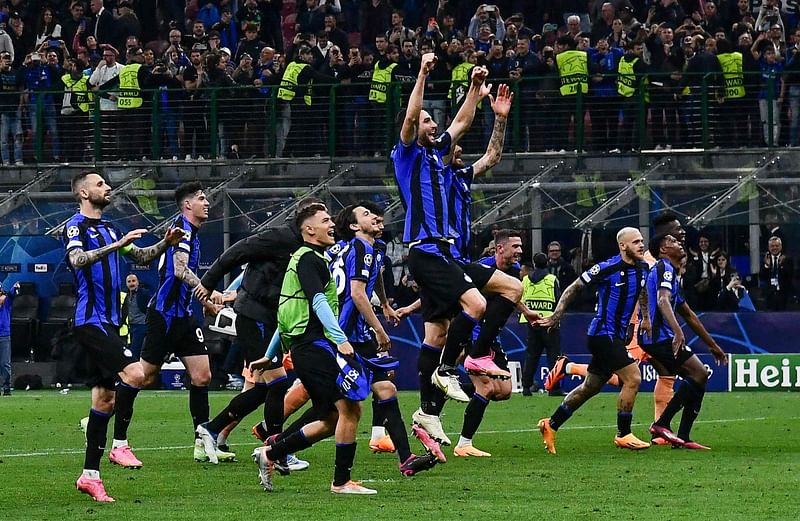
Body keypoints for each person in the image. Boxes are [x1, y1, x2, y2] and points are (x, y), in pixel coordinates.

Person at [64, 170, 183, 502]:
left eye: (106, 183)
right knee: (136, 373)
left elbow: (142, 256)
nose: (108, 187)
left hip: (111, 322)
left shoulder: (111, 227)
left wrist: (165, 243)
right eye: (100, 184)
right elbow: (77, 259)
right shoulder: (76, 226)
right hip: (91, 321)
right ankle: (119, 445)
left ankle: (90, 476)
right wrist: (117, 245)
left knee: (105, 400)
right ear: (84, 193)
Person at [192, 197, 328, 470]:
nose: (330, 223)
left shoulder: (307, 247)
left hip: (271, 320)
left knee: (265, 387)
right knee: (276, 383)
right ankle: (276, 450)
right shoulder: (279, 237)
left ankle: (213, 428)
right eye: (325, 218)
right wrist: (208, 282)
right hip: (253, 316)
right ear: (307, 223)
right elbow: (238, 252)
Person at [250, 204, 377, 495]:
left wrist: (270, 354)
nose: (332, 224)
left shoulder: (306, 259)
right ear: (309, 229)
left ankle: (270, 454)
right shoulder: (310, 259)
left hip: (307, 347)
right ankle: (341, 482)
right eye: (325, 220)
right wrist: (340, 337)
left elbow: (287, 313)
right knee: (350, 408)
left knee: (332, 418)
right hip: (314, 347)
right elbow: (317, 301)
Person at [329, 203, 442, 471]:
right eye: (367, 214)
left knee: (386, 388)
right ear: (354, 226)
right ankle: (275, 443)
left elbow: (375, 276)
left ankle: (406, 458)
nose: (377, 217)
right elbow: (357, 293)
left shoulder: (374, 249)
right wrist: (380, 328)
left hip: (358, 334)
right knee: (326, 405)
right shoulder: (358, 247)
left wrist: (385, 305)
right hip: (343, 334)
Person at [537, 227, 652, 454]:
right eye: (636, 241)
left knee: (590, 386)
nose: (641, 245)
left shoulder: (643, 268)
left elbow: (642, 292)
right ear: (623, 245)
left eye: (642, 241)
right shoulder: (607, 267)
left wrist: (646, 318)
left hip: (616, 335)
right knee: (633, 378)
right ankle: (623, 434)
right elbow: (574, 288)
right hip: (602, 334)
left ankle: (551, 424)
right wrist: (556, 315)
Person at [139, 182, 227, 464]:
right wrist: (207, 291)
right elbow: (179, 270)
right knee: (143, 376)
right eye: (202, 198)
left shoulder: (194, 234)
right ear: (187, 205)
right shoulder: (182, 230)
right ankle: (102, 409)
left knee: (202, 376)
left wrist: (203, 301)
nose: (207, 203)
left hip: (184, 316)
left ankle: (201, 440)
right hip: (164, 316)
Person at [642, 233, 727, 449]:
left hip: (659, 337)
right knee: (698, 373)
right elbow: (662, 300)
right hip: (658, 337)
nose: (678, 244)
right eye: (671, 242)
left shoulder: (672, 275)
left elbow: (689, 315)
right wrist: (677, 331)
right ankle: (661, 424)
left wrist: (713, 345)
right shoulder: (664, 268)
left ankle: (683, 438)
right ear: (662, 250)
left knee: (698, 377)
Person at [453, 230, 524, 458]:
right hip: (475, 335)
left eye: (520, 246)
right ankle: (464, 444)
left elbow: (512, 294)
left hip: (492, 337)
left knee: (504, 391)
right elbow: (457, 291)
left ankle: (443, 392)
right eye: (516, 246)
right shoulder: (481, 269)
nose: (520, 251)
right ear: (499, 248)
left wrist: (527, 312)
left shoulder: (514, 272)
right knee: (486, 387)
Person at [520, 252, 562, 396]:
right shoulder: (552, 279)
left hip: (532, 323)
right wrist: (557, 320)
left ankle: (526, 387)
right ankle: (554, 388)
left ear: (534, 263)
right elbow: (558, 301)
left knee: (532, 355)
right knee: (554, 356)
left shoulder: (525, 280)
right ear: (547, 263)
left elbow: (519, 298)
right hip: (549, 322)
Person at [759, 236, 794, 310]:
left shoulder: (787, 259)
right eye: (772, 246)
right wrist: (767, 265)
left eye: (777, 246)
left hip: (784, 295)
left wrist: (781, 265)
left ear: (781, 247)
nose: (774, 248)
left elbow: (790, 276)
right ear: (769, 247)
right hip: (769, 295)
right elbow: (762, 277)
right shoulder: (765, 259)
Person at [121, 274, 149, 359]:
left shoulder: (144, 293)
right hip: (131, 326)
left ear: (137, 282)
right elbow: (124, 311)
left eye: (133, 281)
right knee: (130, 350)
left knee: (134, 352)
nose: (131, 283)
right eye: (129, 281)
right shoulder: (126, 295)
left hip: (141, 326)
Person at [0, 281, 19, 396]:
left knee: (4, 364)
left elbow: (11, 295)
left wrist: (14, 288)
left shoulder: (6, 302)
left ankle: (7, 387)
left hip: (4, 335)